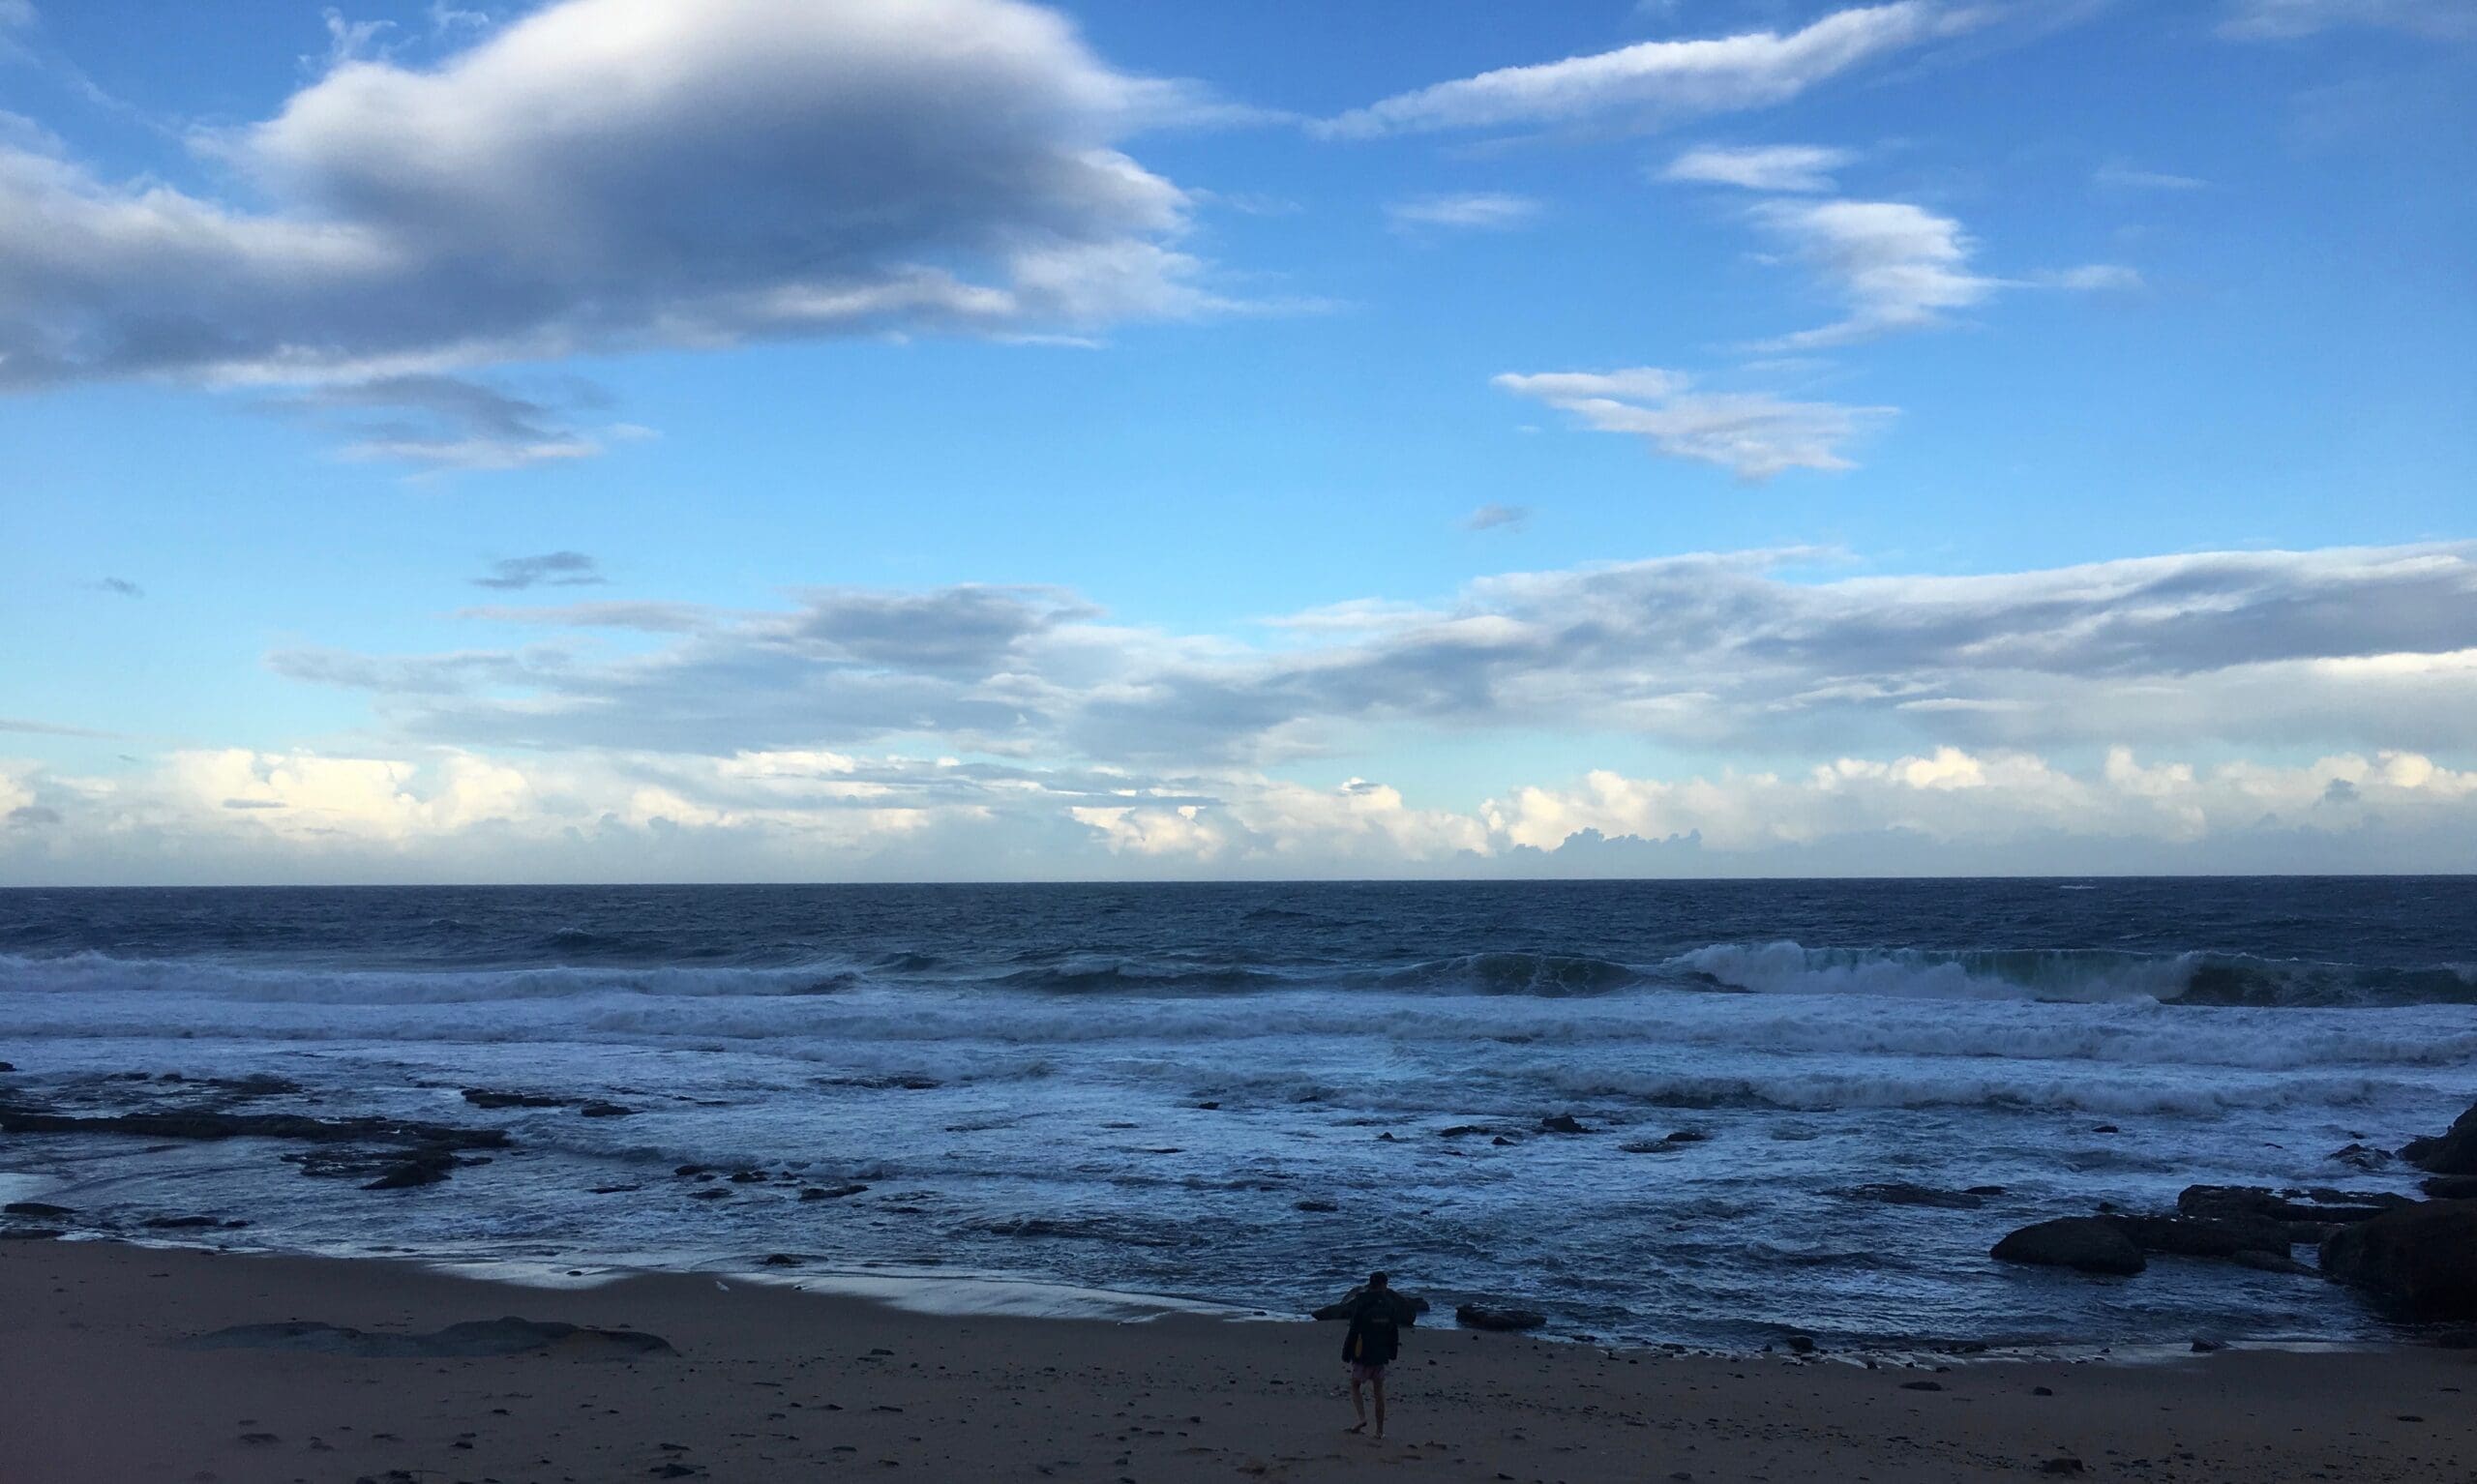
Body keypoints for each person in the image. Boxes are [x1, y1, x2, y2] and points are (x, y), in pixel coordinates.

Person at [1339, 1270, 1412, 1440]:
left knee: (1355, 1385)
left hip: (1362, 1353)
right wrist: (1392, 1352)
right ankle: (1379, 1431)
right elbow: (1393, 1332)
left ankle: (1362, 1418)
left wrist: (1346, 1352)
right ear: (1383, 1285)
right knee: (1378, 1391)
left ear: (1370, 1284)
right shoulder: (1389, 1304)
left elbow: (1354, 1329)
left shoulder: (1362, 1302)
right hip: (1380, 1354)